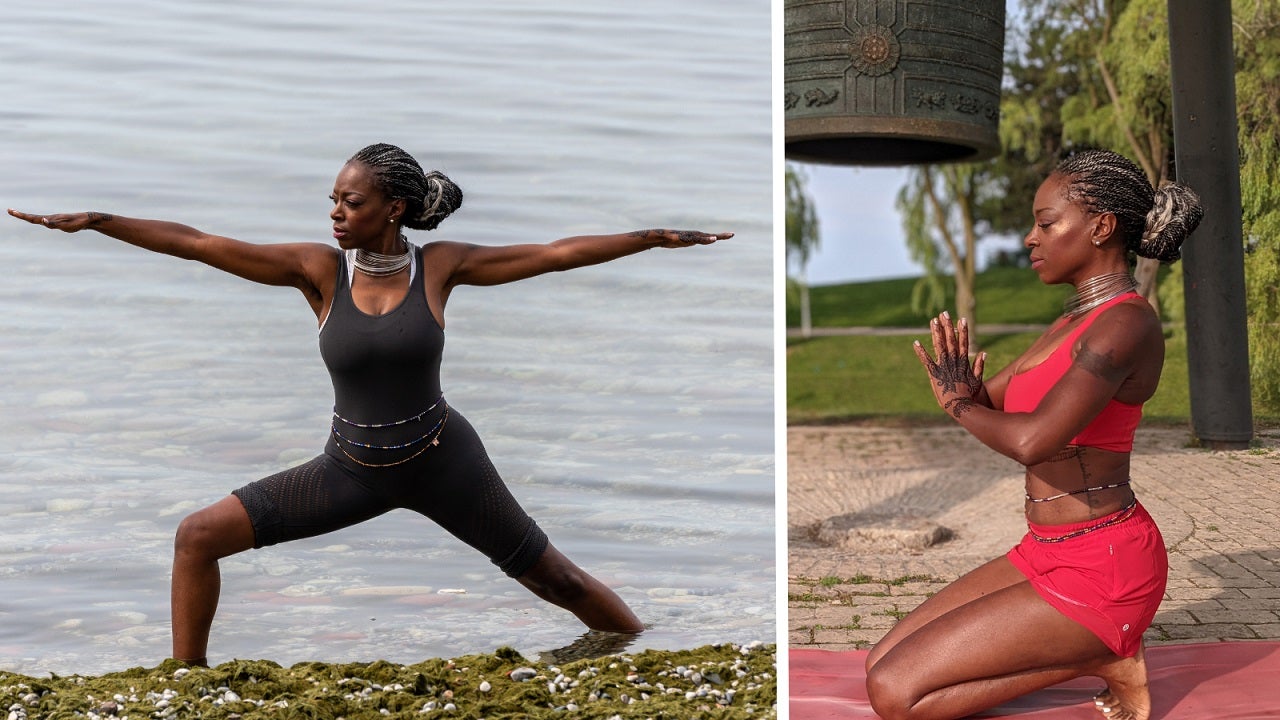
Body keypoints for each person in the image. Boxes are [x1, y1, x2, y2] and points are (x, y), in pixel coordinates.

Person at [7, 142, 732, 666]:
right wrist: (103, 221)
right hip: (349, 470)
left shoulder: (442, 268)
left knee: (558, 579)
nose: (334, 214)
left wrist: (651, 239)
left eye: (349, 203)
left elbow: (553, 253)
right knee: (197, 537)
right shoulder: (315, 271)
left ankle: (645, 647)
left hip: (446, 461)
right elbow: (199, 243)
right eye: (332, 200)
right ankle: (186, 678)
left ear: (395, 209)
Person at [866, 149, 1203, 720]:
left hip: (1105, 564)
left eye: (1046, 224)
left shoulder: (1126, 322)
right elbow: (987, 401)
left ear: (1100, 227)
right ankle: (1100, 651)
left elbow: (1031, 441)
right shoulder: (1070, 321)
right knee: (880, 661)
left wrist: (956, 404)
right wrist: (957, 385)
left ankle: (1107, 655)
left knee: (896, 695)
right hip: (1042, 550)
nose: (1030, 237)